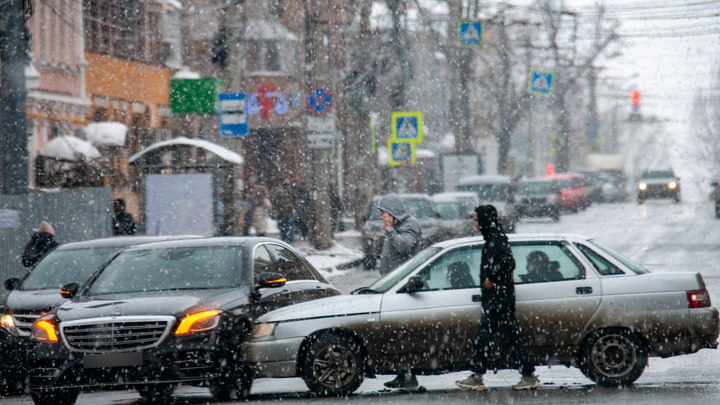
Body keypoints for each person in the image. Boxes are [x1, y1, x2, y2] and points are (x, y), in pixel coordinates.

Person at [455, 205, 541, 391]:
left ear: (485, 221)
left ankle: (527, 376)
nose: (475, 224)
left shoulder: (496, 239)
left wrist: (491, 278)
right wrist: (486, 276)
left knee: (507, 338)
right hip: (496, 300)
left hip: (500, 301)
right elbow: (500, 262)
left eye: (477, 220)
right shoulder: (492, 238)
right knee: (488, 338)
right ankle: (479, 377)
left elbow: (508, 262)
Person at [376, 193, 422, 389]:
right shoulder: (395, 227)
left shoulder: (409, 225)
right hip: (392, 286)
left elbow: (404, 247)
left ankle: (408, 374)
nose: (382, 217)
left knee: (402, 334)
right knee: (395, 334)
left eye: (384, 212)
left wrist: (390, 230)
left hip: (403, 287)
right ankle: (403, 373)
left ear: (393, 212)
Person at [273, 180, 296, 244]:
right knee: (283, 229)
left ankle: (290, 242)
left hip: (289, 214)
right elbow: (275, 203)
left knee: (290, 230)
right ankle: (284, 242)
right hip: (282, 214)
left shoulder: (291, 193)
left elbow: (295, 202)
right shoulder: (280, 194)